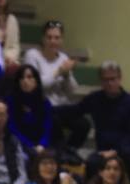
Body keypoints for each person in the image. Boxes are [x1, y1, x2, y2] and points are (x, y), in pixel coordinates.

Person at [80, 61, 130, 184]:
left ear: (120, 78)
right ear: (101, 81)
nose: (110, 83)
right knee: (92, 162)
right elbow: (75, 110)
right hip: (103, 151)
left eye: (113, 79)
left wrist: (115, 151)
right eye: (106, 80)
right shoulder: (95, 99)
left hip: (126, 149)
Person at [23, 19, 86, 150]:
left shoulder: (63, 57)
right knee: (54, 121)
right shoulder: (32, 56)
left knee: (83, 124)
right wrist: (58, 72)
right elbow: (35, 86)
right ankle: (60, 152)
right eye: (49, 37)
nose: (53, 41)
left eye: (57, 38)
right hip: (40, 105)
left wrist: (67, 74)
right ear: (43, 39)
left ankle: (69, 151)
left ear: (61, 40)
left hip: (61, 106)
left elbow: (72, 90)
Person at [5, 64, 51, 154]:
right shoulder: (10, 101)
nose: (25, 81)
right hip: (18, 143)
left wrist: (42, 144)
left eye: (29, 77)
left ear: (36, 80)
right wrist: (30, 146)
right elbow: (12, 128)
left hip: (40, 145)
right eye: (22, 78)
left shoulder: (44, 102)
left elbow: (47, 127)